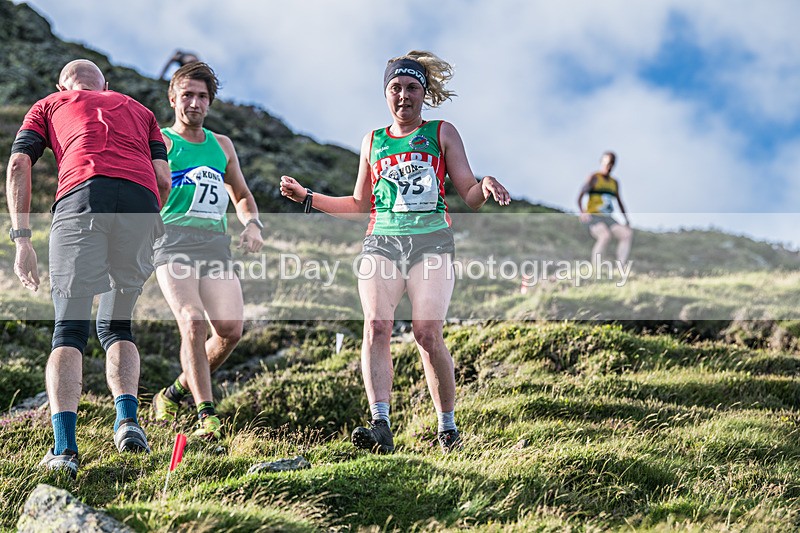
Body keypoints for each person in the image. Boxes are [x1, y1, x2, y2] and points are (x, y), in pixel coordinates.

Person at [280, 50, 510, 454]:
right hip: (382, 241)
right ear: (385, 93)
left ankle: (447, 428)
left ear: (424, 92)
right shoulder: (373, 140)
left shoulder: (442, 132)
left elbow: (470, 196)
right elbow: (359, 205)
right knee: (376, 326)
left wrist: (486, 182)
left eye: (412, 88)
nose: (404, 95)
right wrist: (308, 196)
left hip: (431, 242)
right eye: (396, 88)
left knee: (426, 333)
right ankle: (381, 424)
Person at [6, 59, 171, 479]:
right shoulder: (141, 110)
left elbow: (19, 165)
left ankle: (64, 448)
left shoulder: (49, 104)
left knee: (69, 329)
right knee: (117, 325)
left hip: (83, 199)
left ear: (63, 85)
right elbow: (163, 178)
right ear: (106, 85)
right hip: (141, 204)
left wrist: (22, 238)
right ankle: (128, 421)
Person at [151, 62, 263, 441]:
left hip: (215, 245)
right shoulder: (162, 142)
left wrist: (252, 224)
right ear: (173, 98)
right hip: (173, 241)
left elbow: (243, 195)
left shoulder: (222, 146)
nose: (194, 103)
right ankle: (206, 416)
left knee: (230, 331)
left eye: (201, 96)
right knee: (192, 321)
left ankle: (173, 393)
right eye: (187, 95)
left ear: (210, 102)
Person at [577, 151, 633, 266]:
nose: (609, 166)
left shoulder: (614, 183)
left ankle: (620, 267)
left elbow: (619, 202)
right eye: (607, 163)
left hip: (608, 217)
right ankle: (595, 267)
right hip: (593, 215)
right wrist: (582, 212)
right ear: (601, 162)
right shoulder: (594, 177)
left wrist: (626, 219)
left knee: (627, 234)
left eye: (612, 163)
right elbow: (580, 196)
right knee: (605, 236)